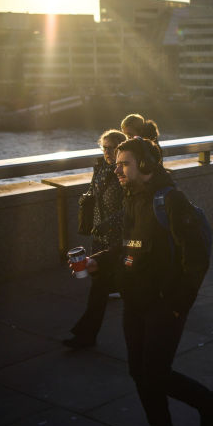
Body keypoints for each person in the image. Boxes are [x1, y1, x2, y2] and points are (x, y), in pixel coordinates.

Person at [76, 137, 213, 426]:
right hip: (136, 301)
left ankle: (210, 404)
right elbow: (129, 246)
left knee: (155, 372)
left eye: (124, 163)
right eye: (116, 164)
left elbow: (196, 259)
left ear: (145, 165)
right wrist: (97, 261)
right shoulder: (132, 198)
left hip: (164, 304)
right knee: (139, 371)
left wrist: (178, 305)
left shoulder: (171, 200)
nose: (117, 169)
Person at [63, 129, 127, 348]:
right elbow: (93, 191)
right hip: (100, 237)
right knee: (99, 287)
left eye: (112, 148)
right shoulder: (101, 168)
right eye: (104, 147)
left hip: (119, 241)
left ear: (121, 148)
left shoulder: (125, 172)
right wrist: (86, 201)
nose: (107, 151)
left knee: (122, 287)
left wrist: (109, 223)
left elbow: (131, 207)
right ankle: (86, 335)